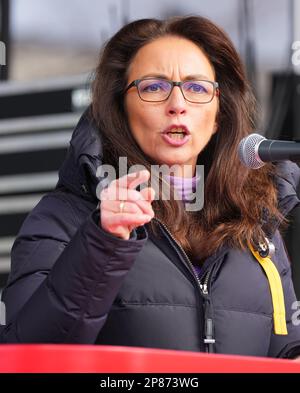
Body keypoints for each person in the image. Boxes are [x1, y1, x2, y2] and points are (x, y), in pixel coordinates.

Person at [1, 15, 300, 359]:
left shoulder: (257, 224)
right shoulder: (65, 217)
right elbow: (24, 354)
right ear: (120, 108)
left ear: (219, 116)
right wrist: (102, 243)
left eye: (197, 87)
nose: (178, 104)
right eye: (153, 87)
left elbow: (283, 351)